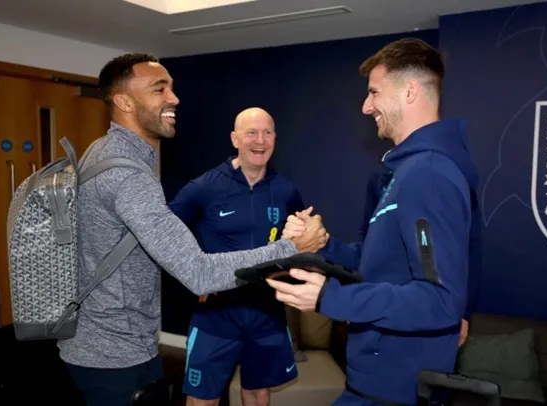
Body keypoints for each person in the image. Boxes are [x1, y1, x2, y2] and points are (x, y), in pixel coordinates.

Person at [57, 53, 327, 406]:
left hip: (113, 344)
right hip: (112, 354)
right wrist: (291, 247)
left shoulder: (102, 152)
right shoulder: (130, 176)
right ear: (123, 101)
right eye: (159, 89)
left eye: (171, 87)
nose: (174, 98)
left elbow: (161, 242)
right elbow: (199, 272)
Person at [267, 38, 481, 405]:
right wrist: (324, 245)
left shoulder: (427, 174)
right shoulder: (405, 170)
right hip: (374, 382)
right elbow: (378, 261)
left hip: (396, 390)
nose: (366, 106)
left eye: (374, 92)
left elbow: (441, 299)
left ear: (410, 91)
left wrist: (330, 297)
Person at [168, 107, 306, 406]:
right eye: (251, 132)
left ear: (275, 138)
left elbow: (302, 238)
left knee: (257, 394)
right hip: (216, 316)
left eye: (267, 132)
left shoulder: (285, 191)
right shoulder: (205, 187)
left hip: (266, 315)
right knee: (202, 400)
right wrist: (195, 277)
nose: (260, 140)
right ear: (235, 139)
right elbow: (164, 234)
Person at [360, 169, 481, 347]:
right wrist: (357, 302)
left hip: (432, 308)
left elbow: (470, 246)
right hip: (383, 304)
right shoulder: (381, 177)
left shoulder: (449, 174)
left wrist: (464, 313)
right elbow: (367, 240)